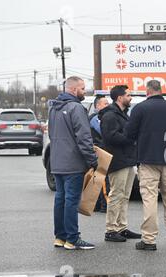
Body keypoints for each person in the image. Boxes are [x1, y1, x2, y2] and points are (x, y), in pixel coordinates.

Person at [126, 80, 166, 251]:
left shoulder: (139, 109)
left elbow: (130, 133)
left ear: (148, 91)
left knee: (150, 199)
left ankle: (149, 240)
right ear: (160, 90)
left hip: (147, 159)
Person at [48, 76, 98, 250]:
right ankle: (72, 239)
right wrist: (92, 160)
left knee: (60, 199)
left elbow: (51, 135)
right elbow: (84, 137)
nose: (85, 91)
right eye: (83, 88)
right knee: (71, 200)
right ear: (74, 89)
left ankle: (60, 237)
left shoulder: (53, 108)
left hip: (57, 162)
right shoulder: (76, 108)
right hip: (73, 163)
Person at [99, 85, 140, 242]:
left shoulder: (122, 114)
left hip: (128, 159)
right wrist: (131, 138)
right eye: (128, 95)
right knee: (116, 194)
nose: (130, 98)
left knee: (125, 195)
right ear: (119, 97)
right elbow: (111, 137)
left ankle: (122, 227)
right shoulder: (110, 116)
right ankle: (111, 230)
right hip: (117, 161)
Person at [89, 95, 109, 213]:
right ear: (98, 106)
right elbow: (103, 131)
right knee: (102, 179)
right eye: (105, 104)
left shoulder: (102, 117)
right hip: (98, 151)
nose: (108, 106)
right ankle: (104, 205)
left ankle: (96, 204)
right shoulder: (95, 118)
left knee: (98, 178)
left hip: (100, 150)